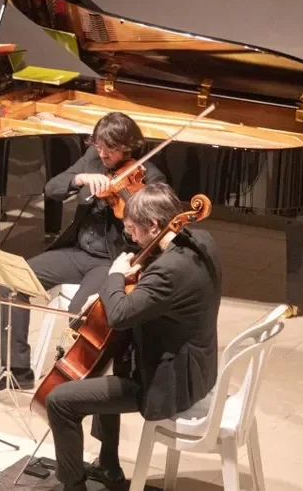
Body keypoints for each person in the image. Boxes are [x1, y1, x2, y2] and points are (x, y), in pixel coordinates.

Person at [44, 182, 221, 491]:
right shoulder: (201, 241)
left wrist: (114, 276)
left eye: (132, 230)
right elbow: (155, 295)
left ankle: (73, 486)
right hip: (197, 366)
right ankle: (109, 466)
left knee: (60, 401)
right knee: (109, 360)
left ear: (154, 225)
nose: (131, 238)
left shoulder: (169, 271)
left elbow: (120, 315)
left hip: (170, 383)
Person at [0, 112, 166, 394]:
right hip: (77, 251)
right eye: (98, 146)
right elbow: (51, 188)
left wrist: (127, 203)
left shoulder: (151, 177)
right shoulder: (94, 159)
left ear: (127, 146)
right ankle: (17, 371)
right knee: (11, 280)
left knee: (79, 311)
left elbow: (150, 235)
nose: (102, 153)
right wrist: (80, 178)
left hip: (110, 263)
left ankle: (73, 385)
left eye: (108, 149)